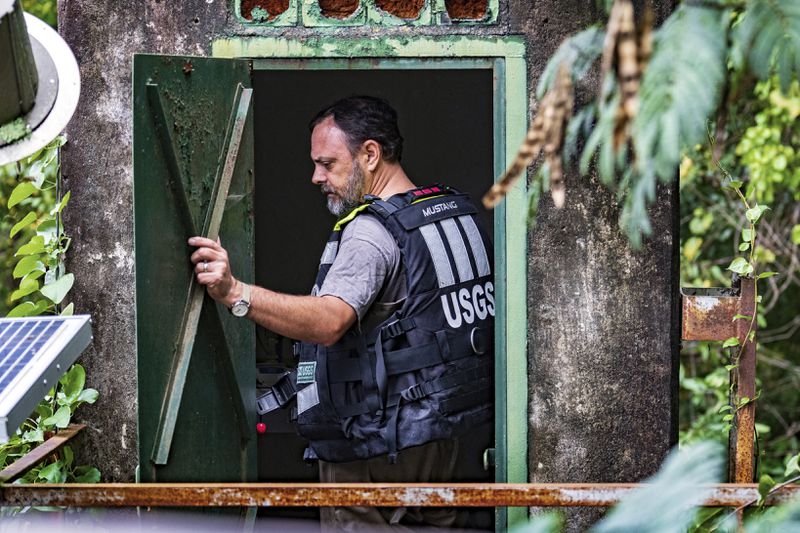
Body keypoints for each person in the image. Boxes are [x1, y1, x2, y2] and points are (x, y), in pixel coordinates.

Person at [189, 96, 494, 531]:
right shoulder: (446, 212)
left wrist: (235, 291)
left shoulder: (370, 233)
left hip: (375, 446)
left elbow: (329, 321)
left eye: (327, 163)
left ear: (370, 154)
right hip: (437, 434)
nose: (316, 176)